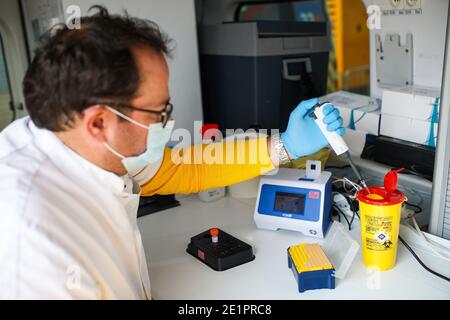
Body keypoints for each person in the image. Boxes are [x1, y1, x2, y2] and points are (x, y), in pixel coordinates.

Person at [0, 6, 344, 299]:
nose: (171, 120)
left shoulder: (77, 141)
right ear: (99, 123)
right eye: (159, 111)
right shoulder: (32, 242)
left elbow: (186, 168)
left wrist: (285, 145)